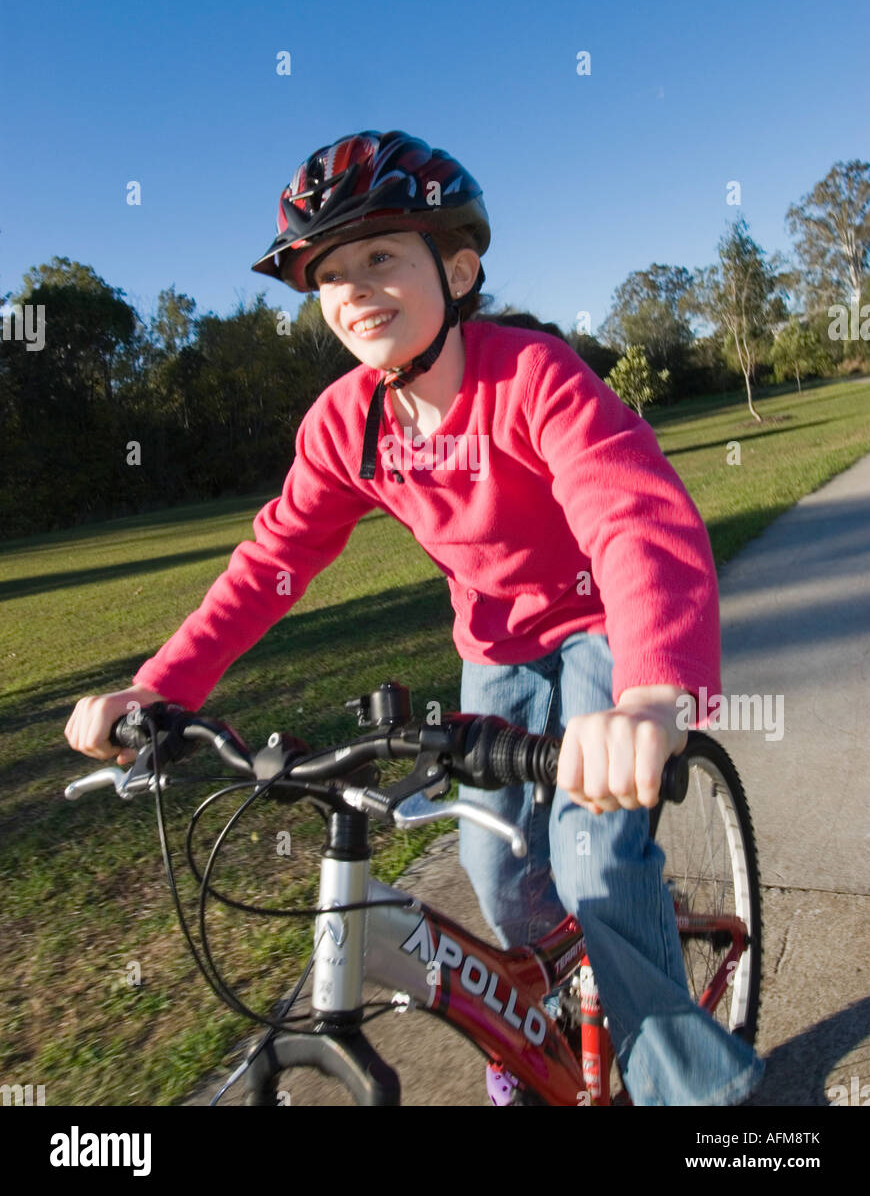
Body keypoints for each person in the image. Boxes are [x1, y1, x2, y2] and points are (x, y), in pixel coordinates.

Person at [64, 129, 764, 1106]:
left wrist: (652, 692)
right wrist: (161, 687)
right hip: (498, 643)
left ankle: (712, 1103)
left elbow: (632, 512)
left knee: (593, 853)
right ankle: (541, 1020)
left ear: (460, 265)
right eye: (329, 274)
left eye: (380, 255)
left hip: (609, 623)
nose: (353, 288)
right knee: (494, 854)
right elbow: (273, 560)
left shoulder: (531, 378)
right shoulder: (346, 424)